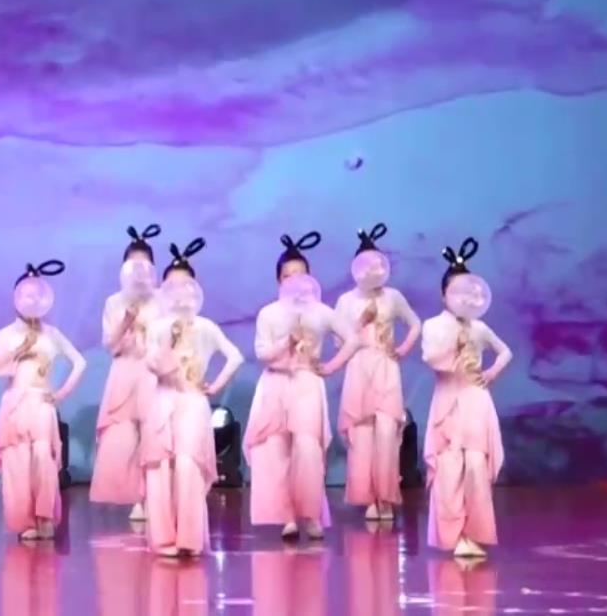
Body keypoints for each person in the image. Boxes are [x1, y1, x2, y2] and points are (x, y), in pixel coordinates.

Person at [244, 231, 360, 541]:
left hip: (307, 382)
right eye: (287, 276)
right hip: (275, 383)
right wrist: (287, 341)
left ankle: (310, 514)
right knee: (276, 450)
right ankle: (286, 516)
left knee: (307, 450)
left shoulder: (321, 311)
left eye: (300, 275)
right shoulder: (268, 313)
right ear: (278, 281)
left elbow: (352, 339)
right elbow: (262, 353)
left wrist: (330, 367)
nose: (294, 281)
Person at [140, 239, 243, 557]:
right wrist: (169, 342)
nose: (179, 293)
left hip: (193, 402)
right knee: (161, 467)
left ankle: (189, 537)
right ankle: (163, 539)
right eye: (172, 286)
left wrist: (215, 386)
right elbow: (151, 364)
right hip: (163, 400)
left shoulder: (205, 326)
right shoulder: (156, 327)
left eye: (185, 286)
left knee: (187, 464)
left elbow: (235, 356)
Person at [421, 238, 510, 559]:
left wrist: (491, 373)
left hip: (475, 399)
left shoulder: (479, 327)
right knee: (449, 466)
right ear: (444, 295)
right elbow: (431, 358)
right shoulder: (434, 325)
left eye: (468, 291)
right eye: (455, 291)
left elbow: (505, 352)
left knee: (475, 466)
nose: (463, 298)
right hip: (448, 399)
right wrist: (454, 347)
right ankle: (453, 535)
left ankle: (475, 533)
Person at [0, 259, 86, 542]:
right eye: (25, 295)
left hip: (41, 403)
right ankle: (24, 520)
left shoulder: (52, 334)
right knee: (17, 462)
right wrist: (18, 351)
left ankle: (44, 517)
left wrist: (61, 393)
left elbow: (79, 362)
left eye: (36, 295)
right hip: (15, 404)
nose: (31, 301)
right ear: (16, 298)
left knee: (43, 459)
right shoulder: (6, 334)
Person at [336, 224, 421, 523]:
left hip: (386, 366)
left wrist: (403, 348)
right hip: (359, 367)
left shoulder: (392, 296)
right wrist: (360, 323)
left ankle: (386, 496)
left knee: (386, 431)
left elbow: (415, 324)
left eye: (376, 265)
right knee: (362, 434)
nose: (371, 271)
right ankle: (369, 497)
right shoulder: (346, 301)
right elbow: (339, 342)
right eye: (365, 265)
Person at [91, 224, 164, 519]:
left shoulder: (163, 298)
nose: (138, 273)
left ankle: (152, 496)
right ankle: (135, 496)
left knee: (153, 432)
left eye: (144, 266)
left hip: (152, 370)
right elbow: (110, 345)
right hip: (124, 370)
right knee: (125, 437)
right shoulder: (114, 302)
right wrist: (126, 322)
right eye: (133, 266)